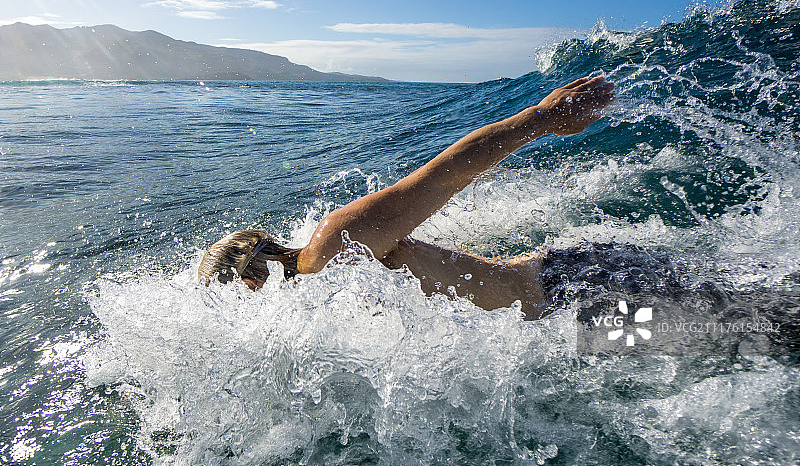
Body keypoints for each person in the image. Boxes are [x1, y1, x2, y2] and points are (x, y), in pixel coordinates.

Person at [198, 76, 616, 319]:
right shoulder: (314, 302)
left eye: (233, 295)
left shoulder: (331, 245)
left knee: (680, 340)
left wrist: (541, 118)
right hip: (557, 319)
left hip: (579, 291)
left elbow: (440, 180)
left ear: (249, 278)